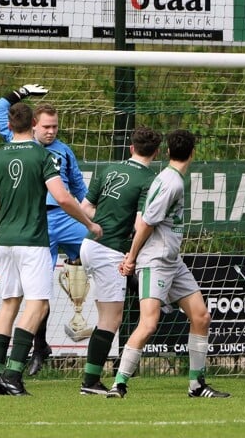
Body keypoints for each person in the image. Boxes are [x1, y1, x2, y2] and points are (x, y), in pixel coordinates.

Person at [0, 102, 101, 396]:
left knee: (9, 303)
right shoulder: (42, 155)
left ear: (9, 126)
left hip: (6, 240)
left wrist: (11, 209)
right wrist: (89, 222)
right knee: (38, 304)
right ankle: (13, 374)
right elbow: (62, 198)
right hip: (33, 239)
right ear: (33, 123)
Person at [106, 129, 230, 399]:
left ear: (167, 151)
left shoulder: (169, 177)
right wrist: (132, 256)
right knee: (149, 323)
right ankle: (119, 383)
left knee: (201, 317)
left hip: (173, 262)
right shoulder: (170, 182)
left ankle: (197, 385)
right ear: (192, 153)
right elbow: (147, 222)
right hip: (156, 262)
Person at [75, 125, 162, 395]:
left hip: (89, 243)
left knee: (106, 316)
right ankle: (90, 383)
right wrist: (133, 254)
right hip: (111, 250)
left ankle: (91, 380)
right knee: (111, 320)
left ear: (131, 148)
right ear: (156, 152)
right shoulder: (151, 179)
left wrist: (97, 227)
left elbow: (85, 208)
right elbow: (140, 222)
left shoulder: (109, 169)